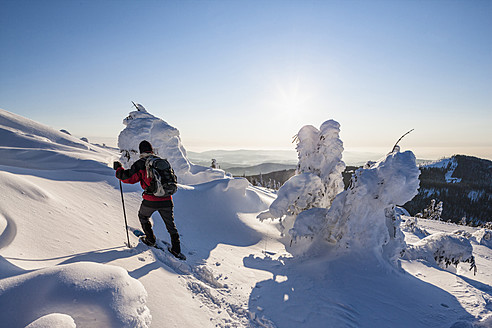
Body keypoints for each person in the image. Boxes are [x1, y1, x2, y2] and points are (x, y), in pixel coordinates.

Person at [114, 140, 182, 258]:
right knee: (170, 224)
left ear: (141, 151)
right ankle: (176, 249)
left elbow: (127, 178)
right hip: (167, 198)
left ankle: (150, 240)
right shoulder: (160, 161)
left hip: (151, 200)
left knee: (143, 216)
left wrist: (119, 169)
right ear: (151, 150)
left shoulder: (141, 163)